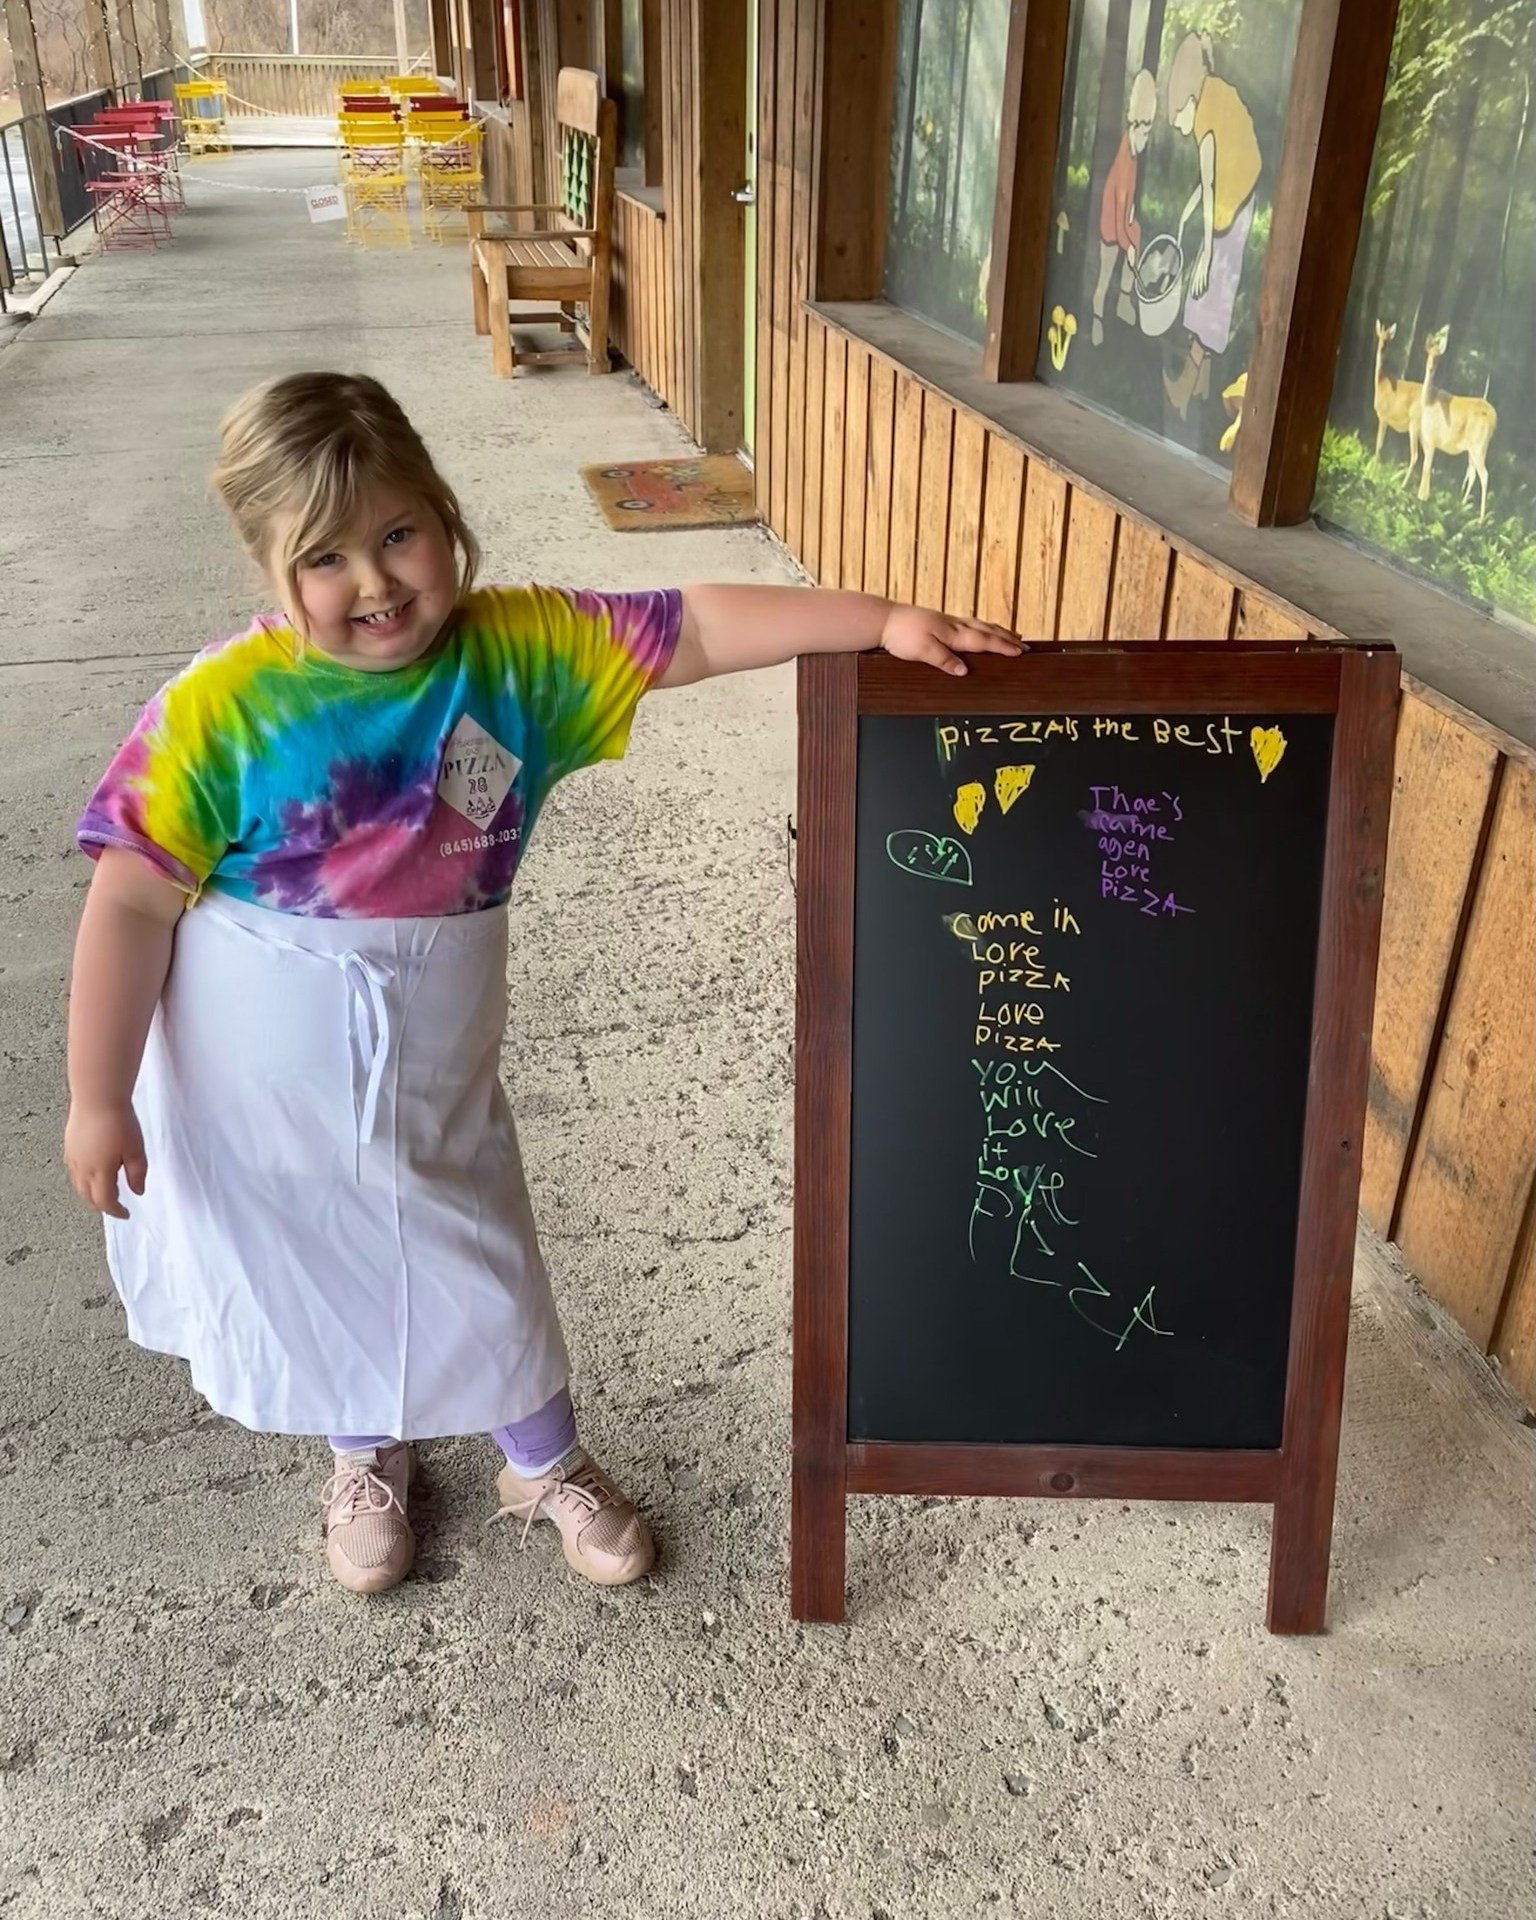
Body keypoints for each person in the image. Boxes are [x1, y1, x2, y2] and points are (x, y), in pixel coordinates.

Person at [64, 371, 1021, 1597]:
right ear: (265, 566)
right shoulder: (219, 708)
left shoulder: (518, 654)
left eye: (400, 534)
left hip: (434, 1055)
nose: (376, 582)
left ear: (446, 514)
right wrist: (100, 1094)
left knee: (477, 1251)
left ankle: (542, 1458)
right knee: (315, 1258)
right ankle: (365, 1455)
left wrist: (878, 620)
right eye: (326, 559)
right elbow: (133, 900)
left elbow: (699, 626)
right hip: (257, 1080)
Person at [1164, 32, 1261, 419]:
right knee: (1212, 291)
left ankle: (1184, 388)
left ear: (1189, 100)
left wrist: (1205, 253)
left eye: (1179, 120)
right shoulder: (1214, 94)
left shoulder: (1205, 119)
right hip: (1239, 195)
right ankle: (1200, 388)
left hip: (1233, 205)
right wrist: (1189, 212)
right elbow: (1206, 182)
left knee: (1206, 292)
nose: (1181, 128)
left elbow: (1210, 184)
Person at [1092, 67, 1157, 349]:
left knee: (1137, 233)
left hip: (1123, 219)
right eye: (1144, 133)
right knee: (1105, 272)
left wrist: (1132, 237)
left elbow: (1127, 206)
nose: (1146, 140)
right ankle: (1096, 317)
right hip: (1110, 225)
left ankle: (1124, 299)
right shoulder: (1123, 159)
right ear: (1135, 127)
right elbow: (1117, 209)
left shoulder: (1134, 155)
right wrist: (1127, 245)